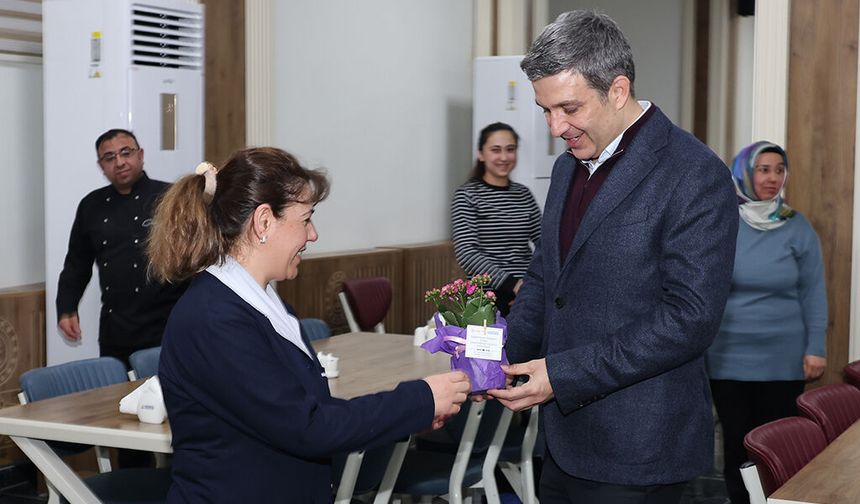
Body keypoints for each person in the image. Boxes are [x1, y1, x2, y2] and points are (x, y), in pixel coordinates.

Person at [487, 10, 739, 504]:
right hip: (561, 439)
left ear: (617, 90)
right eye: (545, 110)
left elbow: (688, 320)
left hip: (638, 446)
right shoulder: (567, 170)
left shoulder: (693, 172)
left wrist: (561, 376)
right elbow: (544, 280)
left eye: (568, 109)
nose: (555, 127)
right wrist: (497, 363)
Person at [146, 147, 471, 503]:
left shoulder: (264, 303)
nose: (312, 234)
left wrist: (411, 416)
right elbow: (307, 427)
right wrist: (420, 399)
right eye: (305, 219)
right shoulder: (214, 318)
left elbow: (314, 410)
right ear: (264, 222)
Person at [707, 141, 827, 504]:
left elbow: (813, 291)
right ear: (745, 172)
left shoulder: (796, 226)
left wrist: (816, 348)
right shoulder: (721, 222)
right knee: (737, 445)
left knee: (779, 448)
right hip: (729, 357)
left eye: (779, 169)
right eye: (763, 169)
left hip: (784, 358)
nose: (773, 178)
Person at [56, 128, 187, 367]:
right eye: (110, 158)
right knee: (115, 401)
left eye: (126, 153)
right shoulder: (91, 206)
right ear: (101, 166)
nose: (119, 162)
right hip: (116, 331)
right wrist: (66, 308)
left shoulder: (171, 197)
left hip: (168, 326)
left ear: (140, 155)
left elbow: (196, 258)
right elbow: (76, 264)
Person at [451, 122, 542, 316]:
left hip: (527, 294)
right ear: (481, 154)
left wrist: (533, 287)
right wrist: (513, 285)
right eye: (495, 150)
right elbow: (467, 253)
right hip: (486, 299)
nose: (504, 157)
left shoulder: (523, 194)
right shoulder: (467, 196)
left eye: (510, 149)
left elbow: (545, 243)